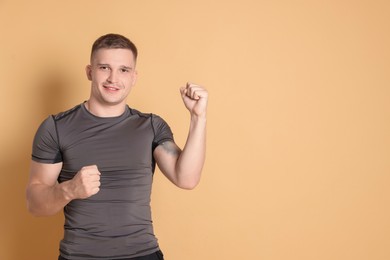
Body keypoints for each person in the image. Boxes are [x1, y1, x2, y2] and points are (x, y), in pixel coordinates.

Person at [26, 33, 208, 260]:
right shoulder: (56, 127)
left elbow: (186, 179)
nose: (113, 78)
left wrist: (197, 117)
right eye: (104, 68)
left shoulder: (151, 126)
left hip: (143, 254)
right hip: (80, 256)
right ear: (89, 72)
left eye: (123, 70)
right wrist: (69, 189)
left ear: (134, 77)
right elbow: (35, 204)